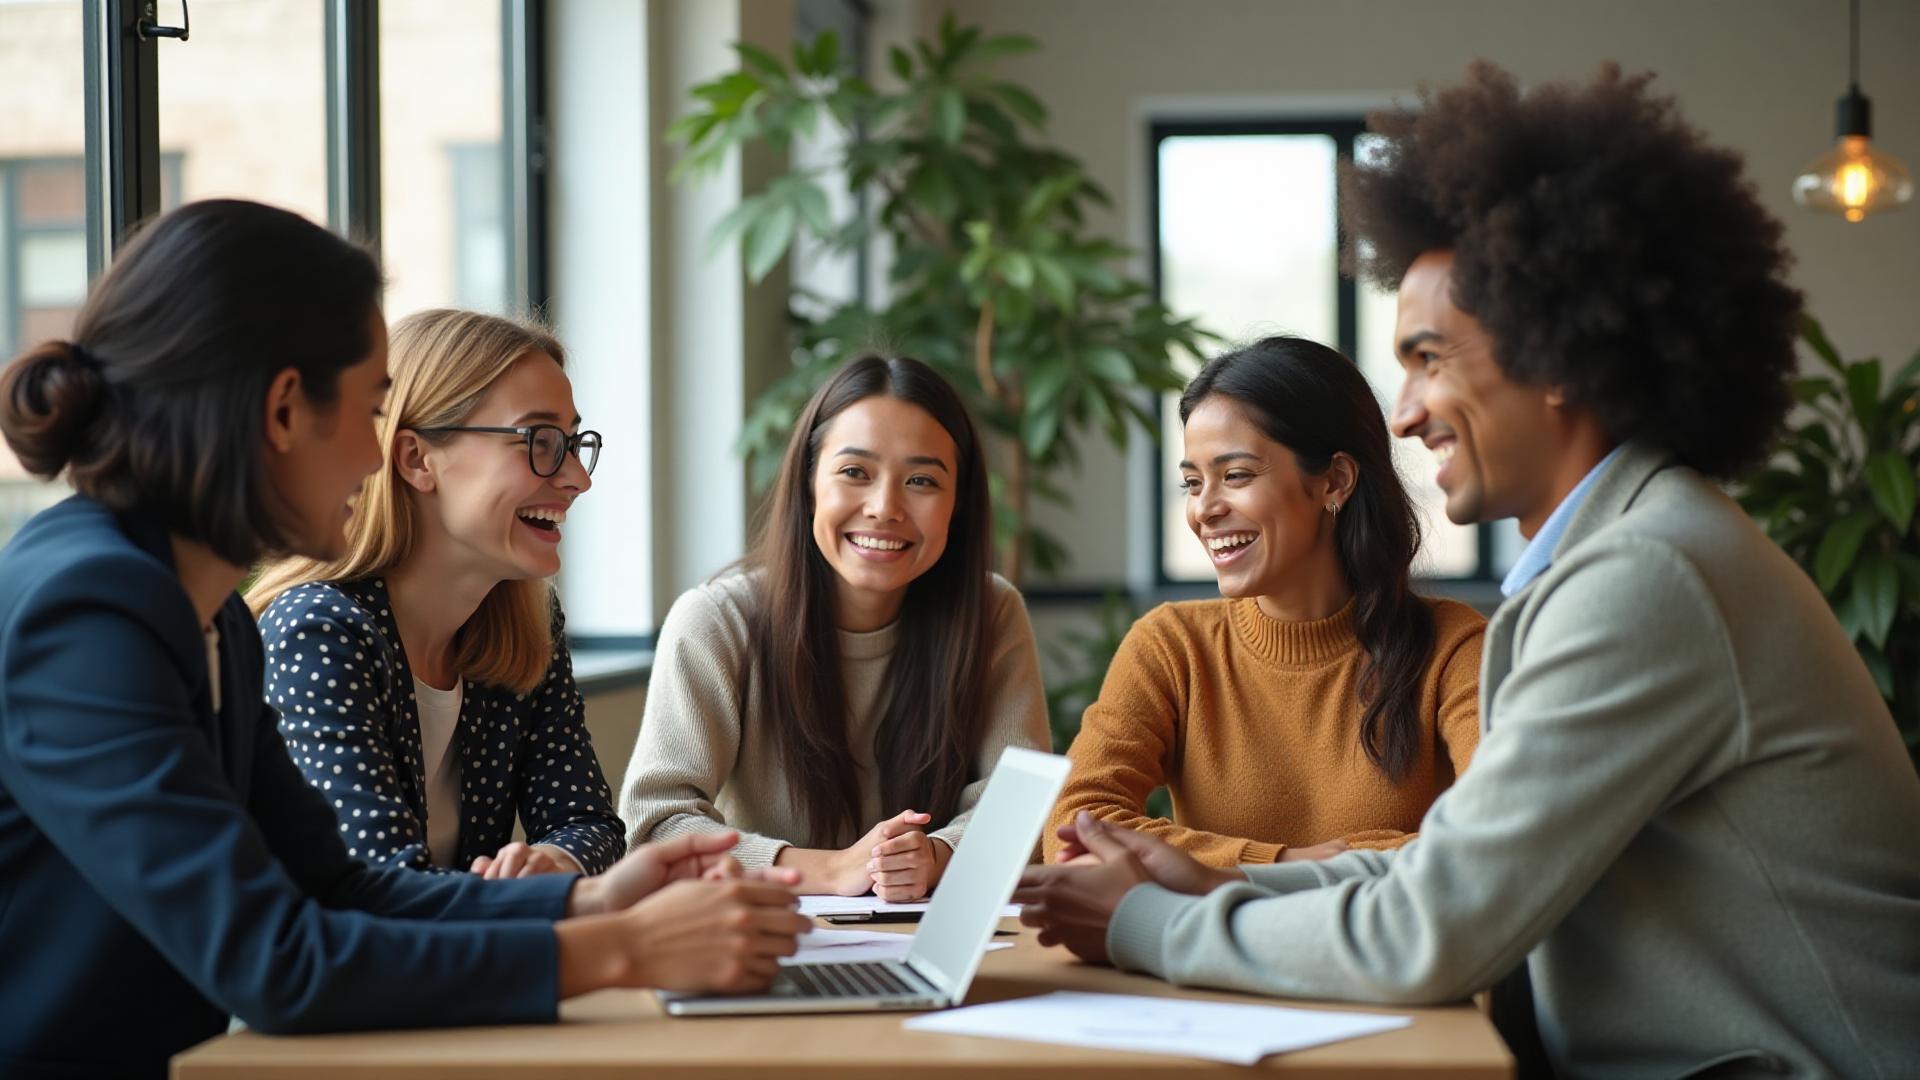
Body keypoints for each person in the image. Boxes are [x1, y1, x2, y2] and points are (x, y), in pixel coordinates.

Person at [1012, 63, 1920, 1079]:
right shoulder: (1622, 548)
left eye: (1429, 357)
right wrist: (1199, 889)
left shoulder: (1648, 574)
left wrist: (1154, 923)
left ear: (1561, 356)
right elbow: (1453, 876)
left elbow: (1431, 928)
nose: (1403, 410)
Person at [0, 200, 806, 1080]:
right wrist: (623, 952)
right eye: (371, 409)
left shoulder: (211, 614)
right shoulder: (88, 611)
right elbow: (278, 961)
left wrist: (589, 902)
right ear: (281, 412)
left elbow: (342, 887)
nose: (376, 454)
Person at [620, 355, 1051, 901]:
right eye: (855, 473)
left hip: (931, 934)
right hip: (761, 931)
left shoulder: (991, 613)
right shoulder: (717, 621)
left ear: (958, 505)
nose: (884, 507)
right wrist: (829, 871)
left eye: (921, 480)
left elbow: (1019, 809)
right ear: (808, 484)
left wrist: (939, 855)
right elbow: (656, 824)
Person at [1046, 336, 1482, 867]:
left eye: (1236, 476)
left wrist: (1223, 870)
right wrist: (1278, 863)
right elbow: (1074, 824)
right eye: (1191, 482)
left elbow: (1492, 840)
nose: (1204, 509)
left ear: (1335, 482)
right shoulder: (1171, 646)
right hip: (1205, 952)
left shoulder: (1454, 648)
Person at [248, 309, 623, 878]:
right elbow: (383, 887)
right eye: (542, 440)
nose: (578, 476)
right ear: (417, 459)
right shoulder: (317, 630)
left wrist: (555, 862)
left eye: (572, 442)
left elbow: (590, 822)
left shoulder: (528, 626)